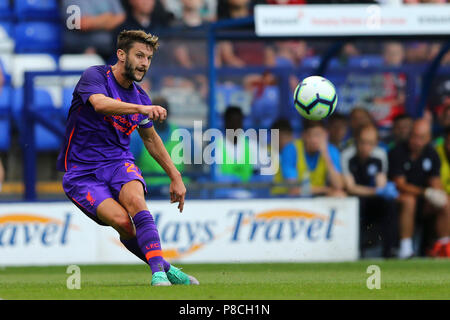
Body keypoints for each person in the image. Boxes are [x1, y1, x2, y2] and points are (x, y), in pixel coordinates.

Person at [57, 30, 199, 286]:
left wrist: (175, 176)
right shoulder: (95, 76)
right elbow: (100, 104)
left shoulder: (140, 96)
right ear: (121, 55)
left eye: (149, 58)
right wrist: (141, 108)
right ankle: (165, 267)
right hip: (82, 172)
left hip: (117, 162)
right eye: (140, 55)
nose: (145, 63)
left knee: (136, 201)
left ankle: (157, 276)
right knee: (124, 223)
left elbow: (151, 139)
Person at [389, 119, 450, 258]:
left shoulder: (432, 154)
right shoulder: (398, 151)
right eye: (414, 136)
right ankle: (406, 249)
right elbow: (400, 184)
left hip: (423, 202)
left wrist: (438, 194)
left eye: (421, 138)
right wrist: (426, 192)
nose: (416, 141)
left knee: (446, 201)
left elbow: (435, 181)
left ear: (428, 138)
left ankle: (443, 246)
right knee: (410, 200)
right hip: (399, 200)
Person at [341, 125, 399, 258]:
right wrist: (376, 191)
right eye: (363, 142)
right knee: (357, 204)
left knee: (389, 204)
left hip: (372, 197)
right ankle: (356, 250)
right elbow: (350, 187)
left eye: (370, 143)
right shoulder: (347, 155)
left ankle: (390, 250)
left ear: (376, 143)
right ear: (356, 140)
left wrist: (382, 190)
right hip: (354, 198)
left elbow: (381, 183)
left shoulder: (380, 155)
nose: (366, 147)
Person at [131, 96, 189, 196]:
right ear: (149, 114)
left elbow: (196, 163)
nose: (160, 116)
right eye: (156, 112)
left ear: (169, 113)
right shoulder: (138, 136)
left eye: (163, 112)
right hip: (150, 191)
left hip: (179, 189)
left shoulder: (181, 134)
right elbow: (129, 165)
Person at [272, 119, 345, 196]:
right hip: (286, 198)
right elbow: (294, 189)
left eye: (318, 135)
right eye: (311, 135)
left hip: (315, 197)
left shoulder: (331, 150)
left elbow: (338, 185)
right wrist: (326, 189)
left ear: (326, 135)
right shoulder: (291, 149)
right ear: (303, 135)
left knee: (339, 195)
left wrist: (325, 155)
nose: (314, 140)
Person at [62, 0, 126, 58]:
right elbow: (82, 24)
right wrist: (107, 19)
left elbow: (121, 18)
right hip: (81, 50)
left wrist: (94, 21)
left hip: (111, 48)